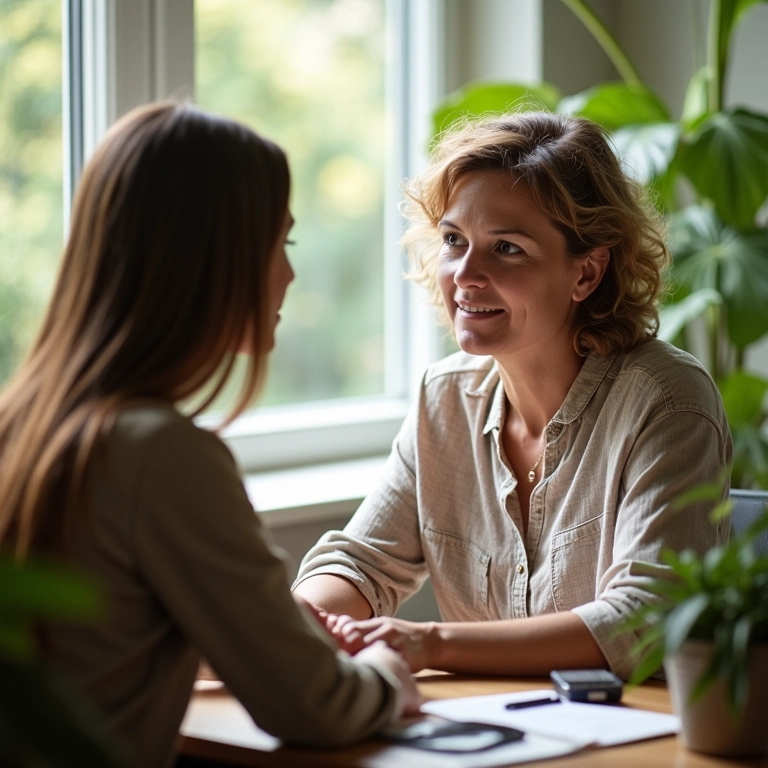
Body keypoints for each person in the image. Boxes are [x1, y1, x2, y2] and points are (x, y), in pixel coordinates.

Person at [0, 102, 421, 768]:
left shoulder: (23, 427)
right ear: (210, 260)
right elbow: (315, 705)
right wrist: (386, 675)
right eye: (278, 243)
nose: (289, 274)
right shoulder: (160, 454)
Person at [292, 111, 732, 680]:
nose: (465, 274)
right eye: (454, 241)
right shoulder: (444, 397)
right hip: (489, 736)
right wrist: (292, 622)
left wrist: (431, 644)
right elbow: (361, 563)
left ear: (587, 273)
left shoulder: (667, 401)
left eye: (507, 248)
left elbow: (644, 621)